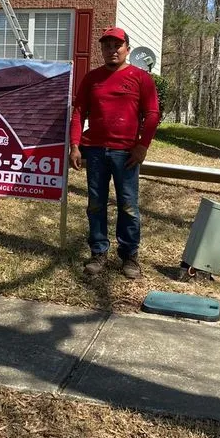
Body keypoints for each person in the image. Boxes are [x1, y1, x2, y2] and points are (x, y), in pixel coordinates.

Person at [69, 26, 160, 279]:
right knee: (95, 204)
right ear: (102, 49)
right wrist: (74, 145)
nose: (112, 50)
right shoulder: (92, 78)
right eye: (107, 46)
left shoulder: (141, 78)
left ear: (127, 49)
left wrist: (142, 146)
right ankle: (98, 253)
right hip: (96, 151)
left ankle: (129, 256)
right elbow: (78, 112)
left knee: (128, 205)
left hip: (126, 154)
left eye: (117, 45)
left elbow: (152, 114)